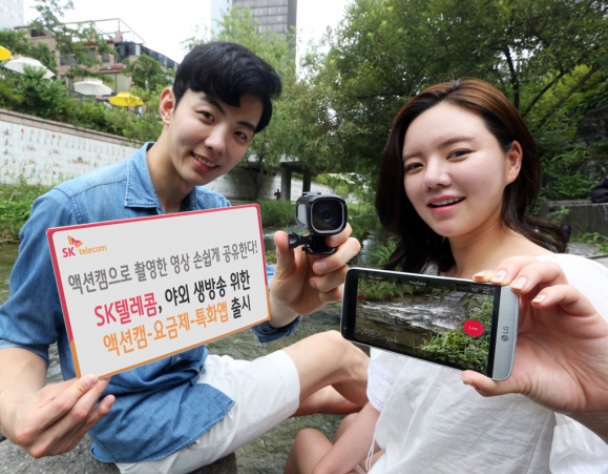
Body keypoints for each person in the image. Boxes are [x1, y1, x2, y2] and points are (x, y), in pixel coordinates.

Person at [0, 41, 369, 474]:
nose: (218, 143)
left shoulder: (217, 212)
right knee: (336, 351)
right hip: (141, 425)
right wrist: (18, 413)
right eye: (207, 116)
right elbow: (21, 335)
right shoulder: (72, 210)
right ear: (168, 106)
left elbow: (253, 310)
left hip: (192, 378)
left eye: (240, 133)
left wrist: (285, 302)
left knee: (331, 395)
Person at [285, 79, 608, 474]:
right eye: (414, 165)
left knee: (309, 440)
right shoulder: (422, 281)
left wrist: (598, 409)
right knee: (328, 434)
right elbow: (386, 402)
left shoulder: (569, 291)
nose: (432, 177)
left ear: (512, 161)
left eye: (458, 153)